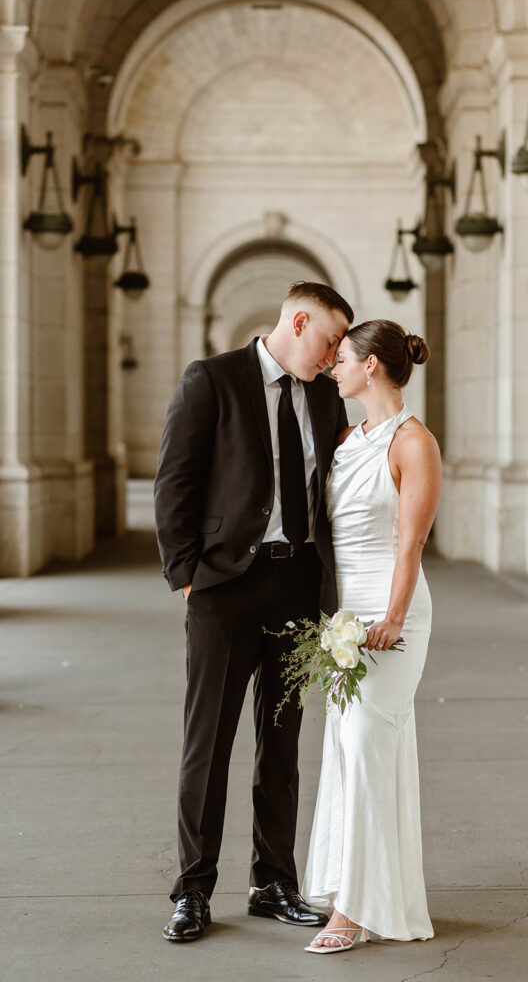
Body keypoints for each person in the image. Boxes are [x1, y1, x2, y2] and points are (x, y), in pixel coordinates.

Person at [154, 281, 353, 941]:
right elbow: (174, 481)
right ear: (297, 323)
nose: (333, 356)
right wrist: (188, 578)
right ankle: (193, 891)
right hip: (224, 589)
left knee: (282, 741)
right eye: (329, 340)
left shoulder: (323, 395)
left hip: (297, 586)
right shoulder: (211, 380)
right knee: (208, 744)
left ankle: (273, 883)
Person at [302, 319, 441, 954]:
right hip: (345, 618)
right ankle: (364, 892)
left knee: (364, 744)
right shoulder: (345, 440)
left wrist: (392, 618)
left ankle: (351, 910)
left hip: (392, 615)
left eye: (343, 358)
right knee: (348, 748)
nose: (333, 367)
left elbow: (411, 544)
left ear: (372, 366)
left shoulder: (414, 443)